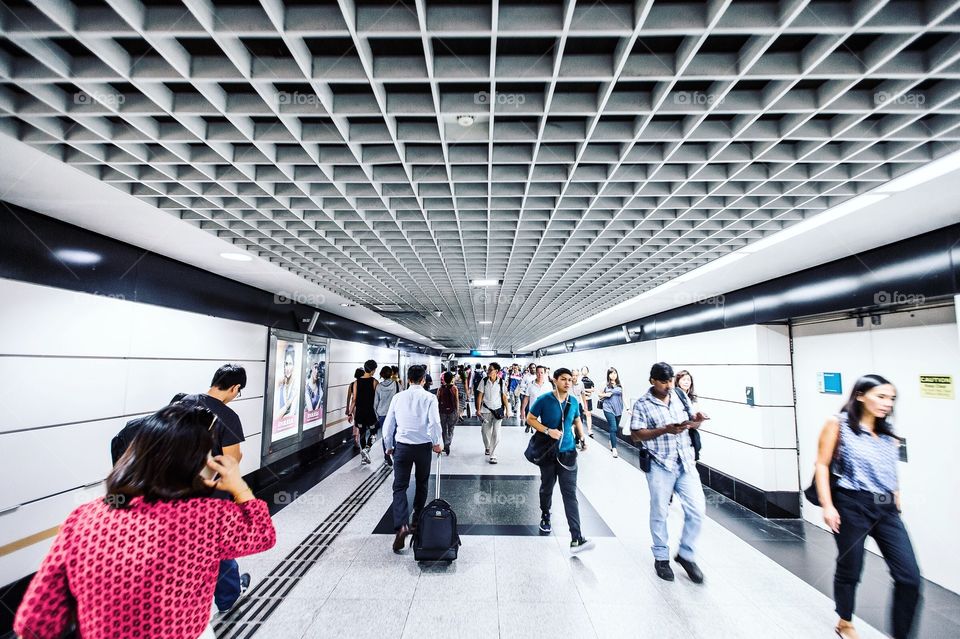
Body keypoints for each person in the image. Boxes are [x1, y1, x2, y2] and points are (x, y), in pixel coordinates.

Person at [14, 403, 276, 639]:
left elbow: (33, 623)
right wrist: (238, 486)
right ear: (192, 464)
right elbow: (263, 534)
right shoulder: (207, 517)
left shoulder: (83, 518)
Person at [813, 375, 920, 639]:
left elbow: (888, 467)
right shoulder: (838, 424)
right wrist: (828, 505)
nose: (887, 403)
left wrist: (895, 493)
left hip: (885, 508)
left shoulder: (887, 431)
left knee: (909, 577)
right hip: (852, 503)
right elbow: (822, 464)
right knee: (851, 565)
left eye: (891, 398)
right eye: (881, 396)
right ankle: (845, 620)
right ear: (860, 395)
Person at [629, 362, 709, 583]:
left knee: (697, 510)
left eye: (670, 381)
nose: (668, 386)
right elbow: (635, 435)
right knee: (659, 512)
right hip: (660, 464)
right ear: (652, 381)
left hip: (685, 463)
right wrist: (665, 429)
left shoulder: (680, 397)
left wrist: (697, 421)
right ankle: (661, 557)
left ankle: (686, 553)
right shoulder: (643, 404)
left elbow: (691, 424)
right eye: (663, 382)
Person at [181, 364, 251, 612]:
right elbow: (230, 462)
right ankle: (228, 595)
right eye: (238, 392)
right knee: (219, 543)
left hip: (175, 487)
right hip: (211, 491)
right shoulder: (228, 416)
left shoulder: (182, 402)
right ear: (235, 388)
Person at [526, 367, 594, 554]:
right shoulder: (544, 400)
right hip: (548, 453)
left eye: (570, 380)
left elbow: (577, 420)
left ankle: (576, 538)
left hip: (568, 453)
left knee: (570, 494)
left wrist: (581, 437)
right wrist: (548, 430)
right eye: (563, 379)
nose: (567, 383)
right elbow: (530, 418)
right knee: (546, 487)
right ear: (555, 380)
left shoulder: (573, 401)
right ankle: (545, 514)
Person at [383, 365, 443, 553]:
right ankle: (417, 521)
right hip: (423, 447)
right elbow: (434, 422)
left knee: (399, 487)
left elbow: (388, 425)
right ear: (424, 379)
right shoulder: (430, 397)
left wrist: (389, 446)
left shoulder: (397, 397)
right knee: (422, 482)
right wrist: (437, 442)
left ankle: (401, 526)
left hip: (402, 446)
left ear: (408, 379)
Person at [476, 362, 508, 464]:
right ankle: (488, 446)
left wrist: (507, 409)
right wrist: (478, 409)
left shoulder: (501, 382)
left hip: (498, 411)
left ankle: (493, 454)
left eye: (490, 370)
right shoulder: (484, 381)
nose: (488, 371)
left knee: (496, 433)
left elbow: (504, 396)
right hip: (485, 411)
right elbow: (480, 396)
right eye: (488, 369)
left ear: (496, 371)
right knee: (484, 431)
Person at [350, 359, 380, 464]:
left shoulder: (356, 382)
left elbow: (354, 400)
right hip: (371, 413)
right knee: (374, 432)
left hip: (360, 413)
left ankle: (363, 458)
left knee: (362, 433)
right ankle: (367, 449)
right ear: (372, 370)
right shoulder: (374, 382)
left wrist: (350, 413)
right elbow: (377, 399)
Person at [374, 365, 401, 467]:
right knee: (394, 434)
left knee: (385, 435)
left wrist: (377, 415)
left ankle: (386, 455)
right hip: (395, 413)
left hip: (382, 414)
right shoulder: (397, 385)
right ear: (391, 374)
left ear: (382, 375)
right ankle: (394, 453)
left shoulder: (379, 387)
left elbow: (375, 403)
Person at [675, 369, 703, 461]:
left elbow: (695, 413)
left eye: (688, 380)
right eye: (683, 380)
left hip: (690, 431)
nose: (686, 382)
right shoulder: (673, 395)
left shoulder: (692, 396)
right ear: (678, 381)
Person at [598, 367, 624, 458]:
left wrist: (628, 409)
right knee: (613, 428)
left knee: (615, 428)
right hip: (608, 408)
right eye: (611, 373)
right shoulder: (604, 384)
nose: (613, 375)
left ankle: (611, 440)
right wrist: (606, 394)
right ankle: (614, 449)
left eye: (615, 373)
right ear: (608, 374)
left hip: (619, 409)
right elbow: (599, 395)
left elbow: (623, 397)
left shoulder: (620, 384)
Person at [520, 366, 552, 434]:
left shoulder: (548, 385)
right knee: (536, 434)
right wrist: (522, 411)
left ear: (544, 373)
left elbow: (552, 399)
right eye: (538, 373)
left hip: (546, 414)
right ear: (536, 373)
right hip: (534, 415)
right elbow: (526, 398)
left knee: (545, 434)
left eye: (542, 373)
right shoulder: (530, 384)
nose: (540, 375)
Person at [437, 371, 459, 455]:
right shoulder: (454, 388)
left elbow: (437, 400)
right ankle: (448, 442)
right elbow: (456, 400)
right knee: (451, 428)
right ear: (452, 379)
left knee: (443, 429)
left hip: (442, 411)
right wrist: (457, 411)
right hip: (452, 411)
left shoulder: (440, 388)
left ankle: (445, 442)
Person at [275, 343, 297, 420]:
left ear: (294, 365)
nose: (287, 368)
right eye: (286, 364)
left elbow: (291, 414)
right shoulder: (281, 386)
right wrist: (290, 400)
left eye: (290, 364)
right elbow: (276, 416)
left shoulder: (296, 386)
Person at [570, 369, 587, 451]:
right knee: (569, 424)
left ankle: (577, 440)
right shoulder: (567, 383)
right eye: (573, 375)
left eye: (576, 375)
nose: (575, 377)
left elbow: (583, 395)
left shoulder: (581, 384)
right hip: (568, 406)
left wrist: (585, 406)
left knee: (579, 424)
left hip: (578, 406)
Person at [346, 367, 363, 449]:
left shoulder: (352, 384)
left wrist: (348, 409)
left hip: (353, 407)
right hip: (361, 406)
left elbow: (349, 398)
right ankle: (357, 438)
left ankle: (356, 437)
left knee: (356, 422)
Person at [580, 366, 595, 438]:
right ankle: (580, 430)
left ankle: (589, 430)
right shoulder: (579, 380)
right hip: (581, 399)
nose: (585, 371)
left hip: (588, 399)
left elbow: (593, 389)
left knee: (588, 414)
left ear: (588, 371)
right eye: (583, 370)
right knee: (580, 415)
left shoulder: (590, 380)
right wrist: (585, 391)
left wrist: (586, 391)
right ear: (581, 371)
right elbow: (579, 389)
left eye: (586, 370)